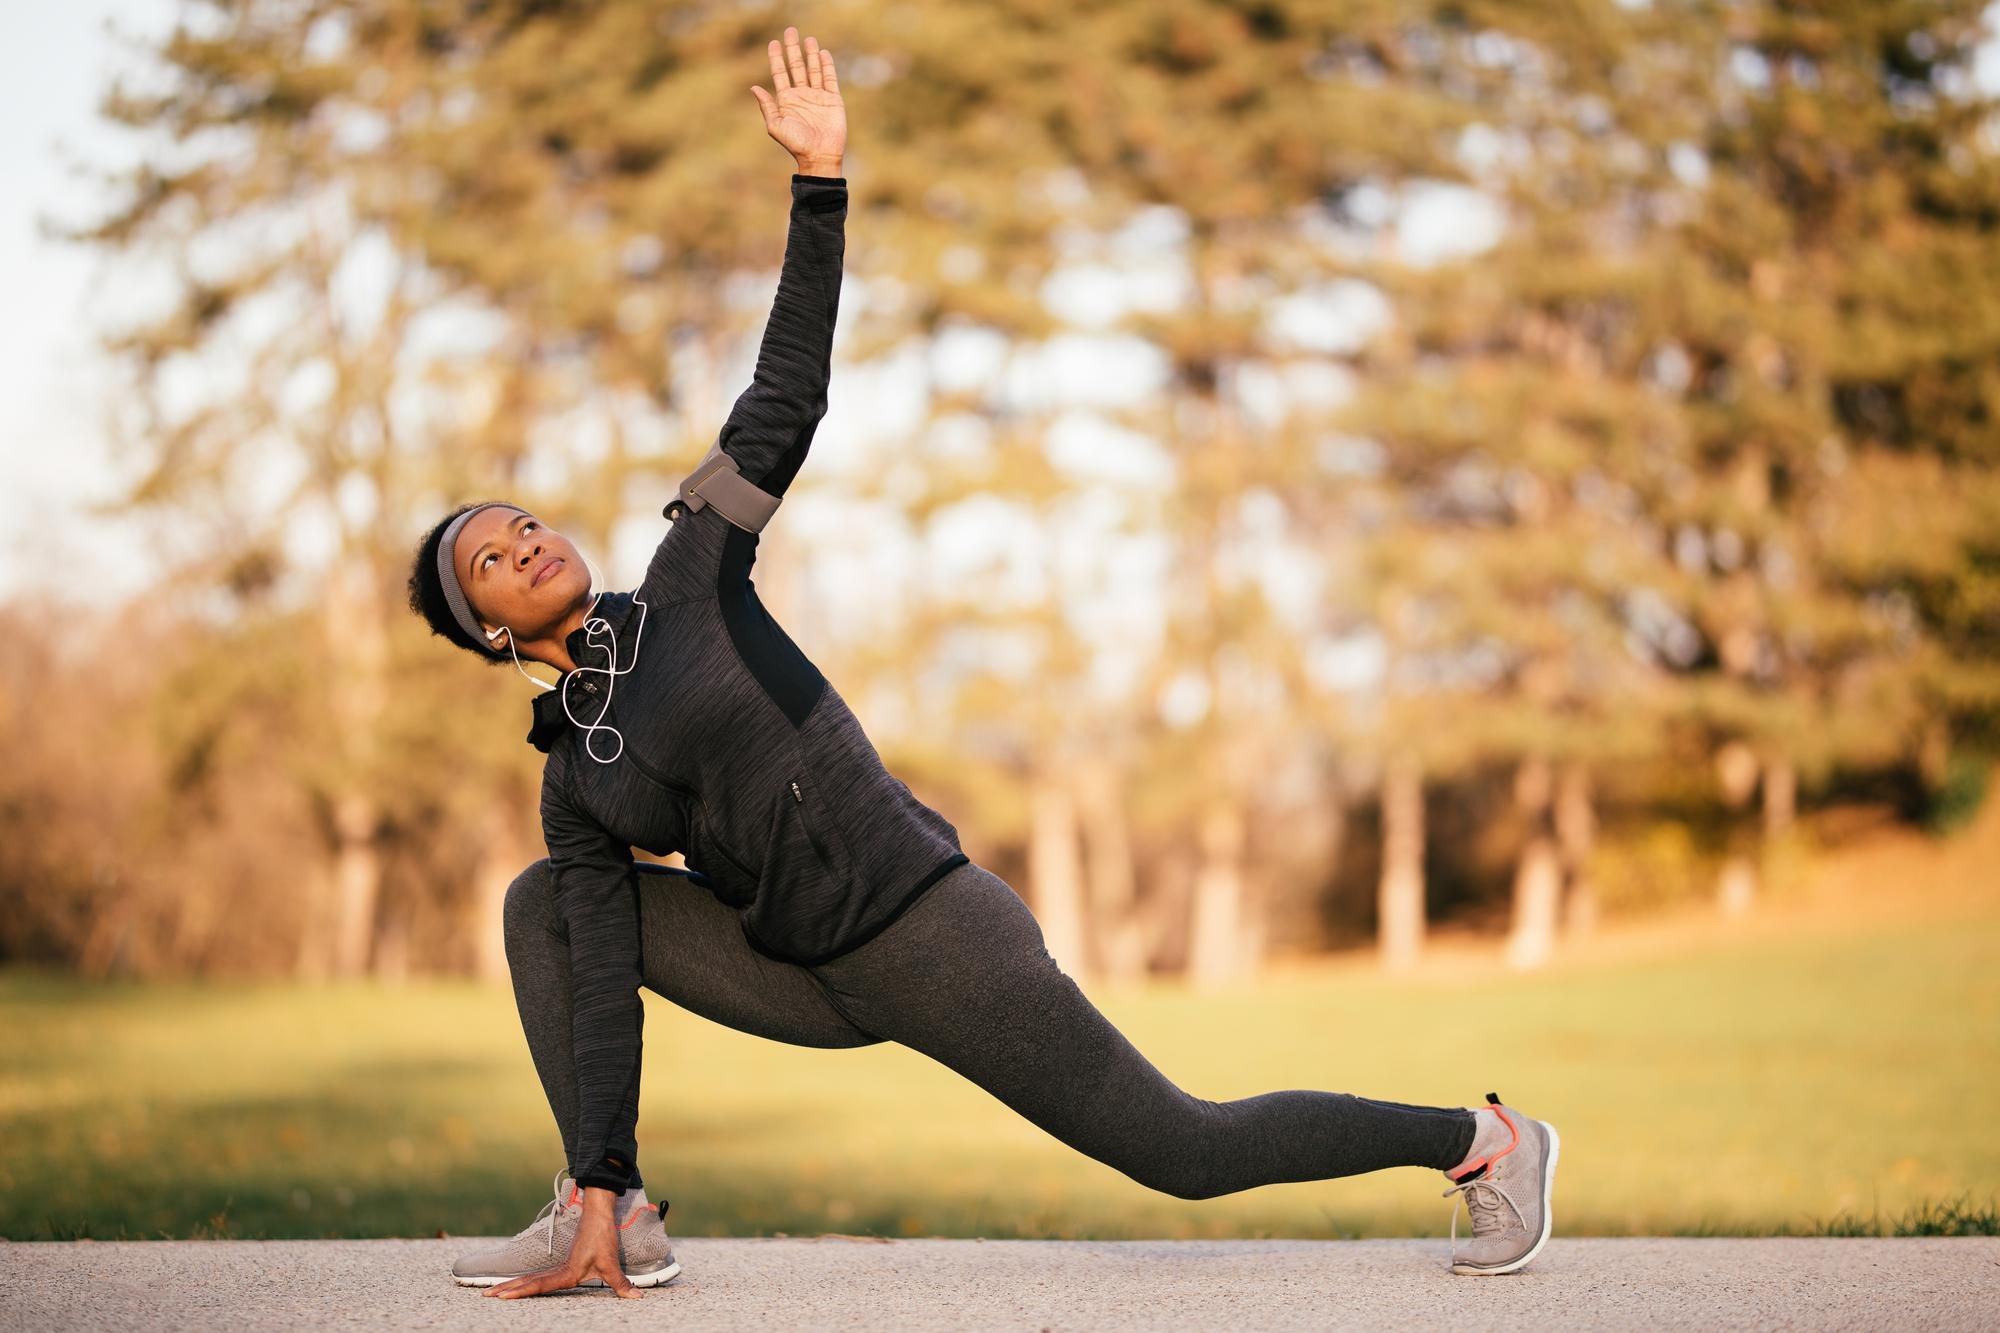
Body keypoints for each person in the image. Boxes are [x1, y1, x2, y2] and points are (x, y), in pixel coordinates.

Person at [403, 26, 1558, 1301]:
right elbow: (602, 988)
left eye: (522, 522)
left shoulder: (690, 578)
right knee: (547, 906)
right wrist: (604, 1168)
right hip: (794, 967)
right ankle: (606, 1210)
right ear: (489, 631)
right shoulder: (575, 777)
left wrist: (818, 185)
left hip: (930, 935)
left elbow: (784, 397)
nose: (524, 542)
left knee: (1183, 1148)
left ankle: (1483, 1141)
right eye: (490, 560)